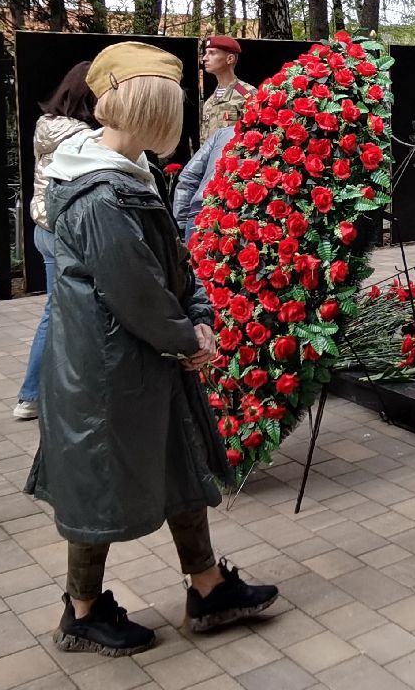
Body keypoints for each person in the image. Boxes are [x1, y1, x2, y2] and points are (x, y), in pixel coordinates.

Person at [25, 42, 278, 656]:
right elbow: (133, 289)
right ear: (153, 110)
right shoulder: (100, 192)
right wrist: (187, 336)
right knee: (96, 486)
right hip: (111, 368)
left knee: (177, 465)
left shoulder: (126, 172)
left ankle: (208, 586)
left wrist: (195, 319)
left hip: (135, 360)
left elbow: (168, 269)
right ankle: (81, 613)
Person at [13, 61, 98, 420]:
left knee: (57, 310)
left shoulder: (46, 126)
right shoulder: (84, 137)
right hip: (66, 230)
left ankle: (34, 395)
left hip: (43, 227)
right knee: (66, 313)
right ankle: (35, 394)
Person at [171, 123, 235, 237]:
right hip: (215, 217)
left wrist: (181, 225)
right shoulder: (222, 133)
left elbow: (189, 177)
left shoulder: (223, 133)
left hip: (200, 215)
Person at [198, 35, 254, 142]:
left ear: (230, 59)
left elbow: (254, 138)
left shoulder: (246, 94)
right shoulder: (209, 102)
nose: (205, 58)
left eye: (212, 53)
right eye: (206, 53)